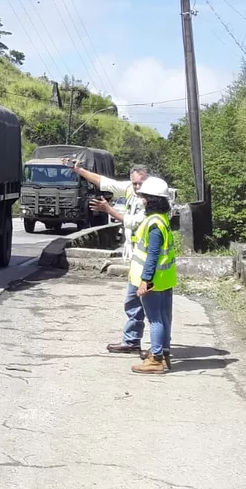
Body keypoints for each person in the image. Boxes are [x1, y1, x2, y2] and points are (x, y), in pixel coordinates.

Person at [65, 159, 150, 354]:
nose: (137, 187)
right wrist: (79, 170)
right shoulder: (129, 189)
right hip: (136, 257)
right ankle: (132, 341)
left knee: (150, 307)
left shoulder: (150, 198)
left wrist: (109, 210)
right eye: (134, 183)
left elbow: (134, 222)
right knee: (133, 301)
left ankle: (157, 349)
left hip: (146, 258)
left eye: (140, 183)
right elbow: (103, 181)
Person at [129, 176, 177, 374]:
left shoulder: (154, 224)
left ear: (151, 200)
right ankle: (163, 354)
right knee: (164, 317)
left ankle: (156, 359)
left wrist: (145, 281)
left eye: (145, 197)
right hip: (164, 279)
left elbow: (153, 255)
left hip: (153, 280)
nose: (142, 200)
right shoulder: (163, 219)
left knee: (155, 319)